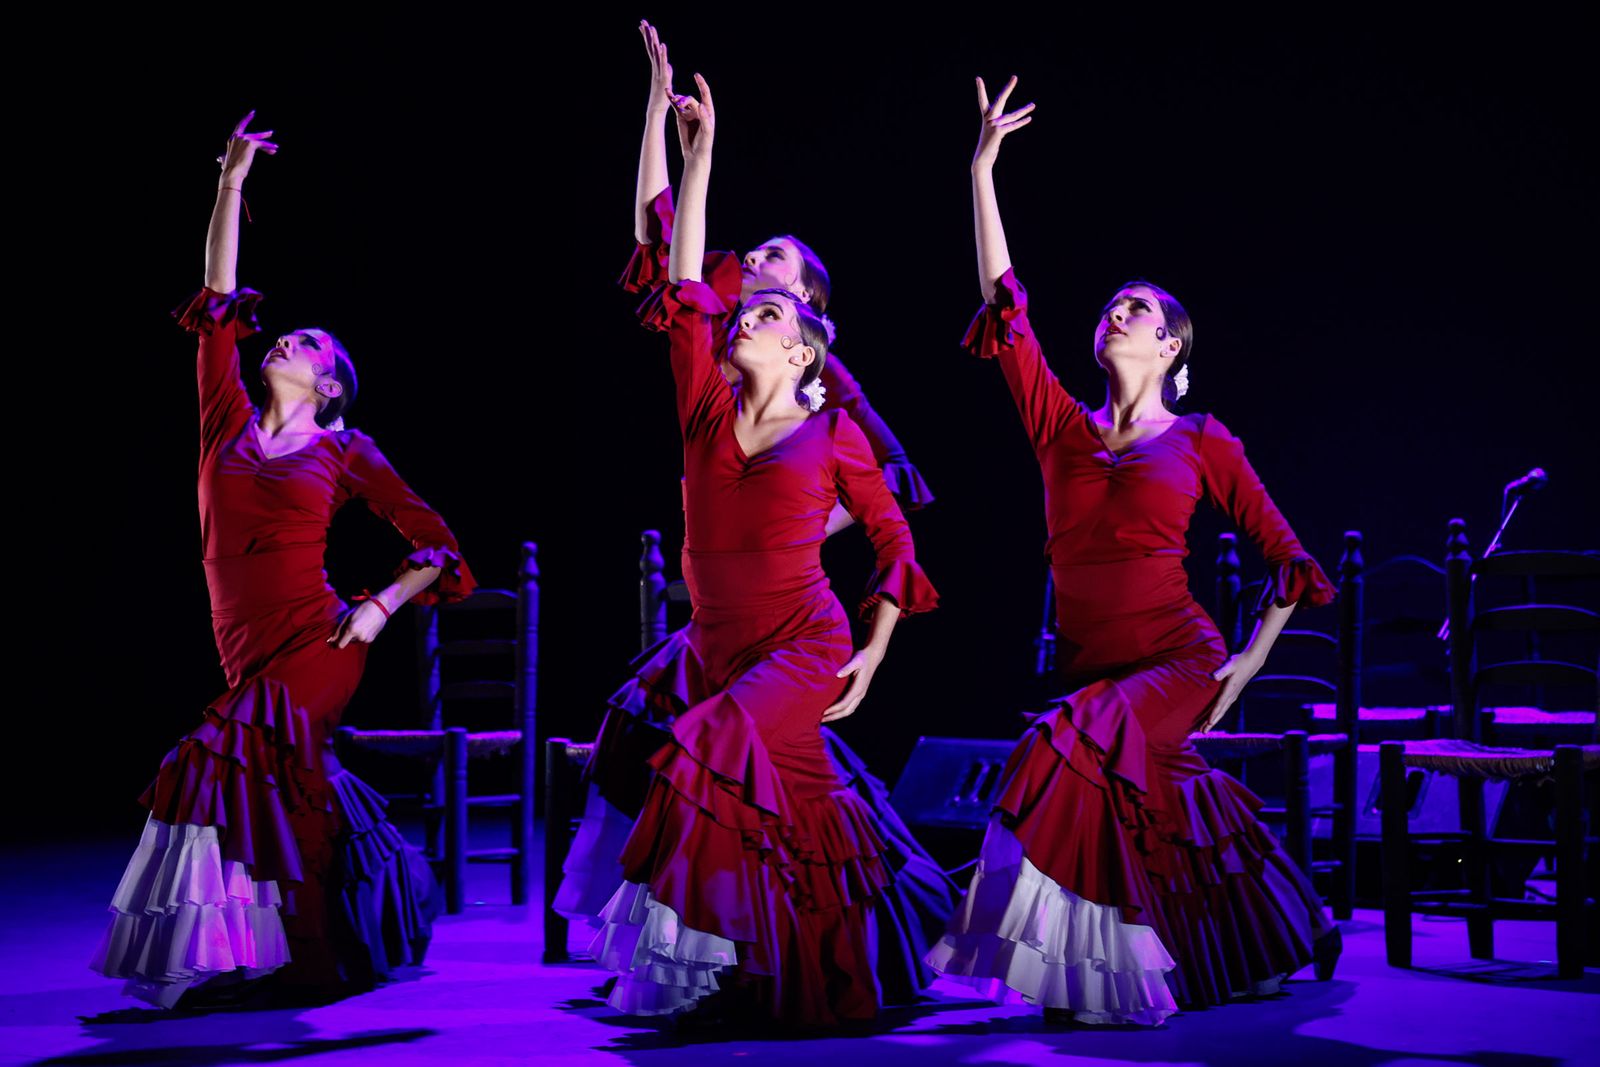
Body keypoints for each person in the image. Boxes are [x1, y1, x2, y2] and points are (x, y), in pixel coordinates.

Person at [556, 21, 955, 1008]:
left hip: (788, 608)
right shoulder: (719, 331)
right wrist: (658, 115)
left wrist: (794, 536)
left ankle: (784, 942)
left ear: (809, 307)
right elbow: (664, 239)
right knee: (689, 742)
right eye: (755, 264)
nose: (757, 268)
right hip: (728, 596)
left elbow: (891, 490)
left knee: (737, 755)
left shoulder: (827, 385)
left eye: (775, 264)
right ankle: (759, 940)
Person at [925, 77, 1340, 1026]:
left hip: (1173, 660)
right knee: (1160, 805)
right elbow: (1006, 307)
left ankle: (1089, 974)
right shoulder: (1059, 428)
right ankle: (1274, 935)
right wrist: (981, 170)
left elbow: (1288, 560)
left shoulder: (1203, 441)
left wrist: (1240, 669)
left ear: (1172, 346)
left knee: (1059, 751)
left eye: (1139, 309)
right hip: (1093, 665)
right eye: (1112, 305)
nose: (1117, 313)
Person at [90, 114, 475, 1008]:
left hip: (319, 641)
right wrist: (229, 184)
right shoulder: (223, 422)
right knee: (273, 780)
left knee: (214, 763)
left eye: (304, 344)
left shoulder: (347, 450)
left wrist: (379, 606)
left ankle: (292, 962)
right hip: (243, 640)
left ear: (330, 383)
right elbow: (215, 302)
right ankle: (273, 944)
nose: (283, 344)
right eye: (285, 338)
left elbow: (440, 545)